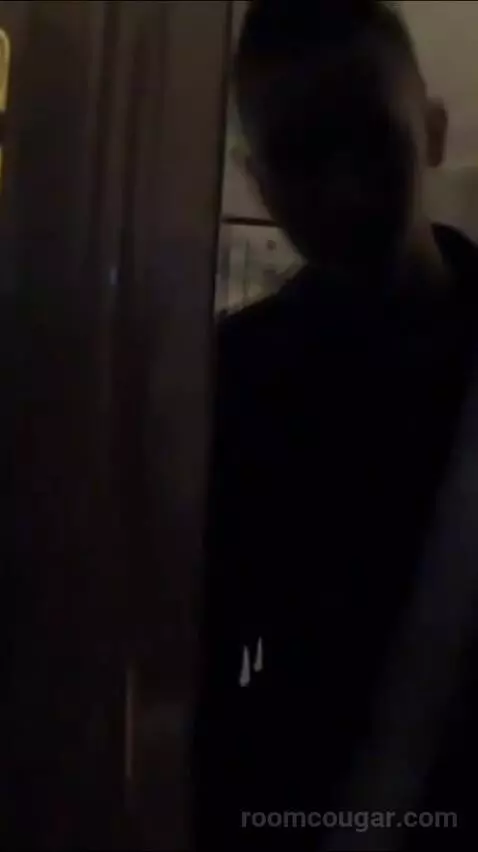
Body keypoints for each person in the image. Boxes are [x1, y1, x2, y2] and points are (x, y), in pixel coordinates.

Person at [195, 2, 478, 849]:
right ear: (258, 179)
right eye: (303, 156)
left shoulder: (233, 375)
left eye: (370, 141)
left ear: (432, 133)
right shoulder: (232, 381)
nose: (344, 191)